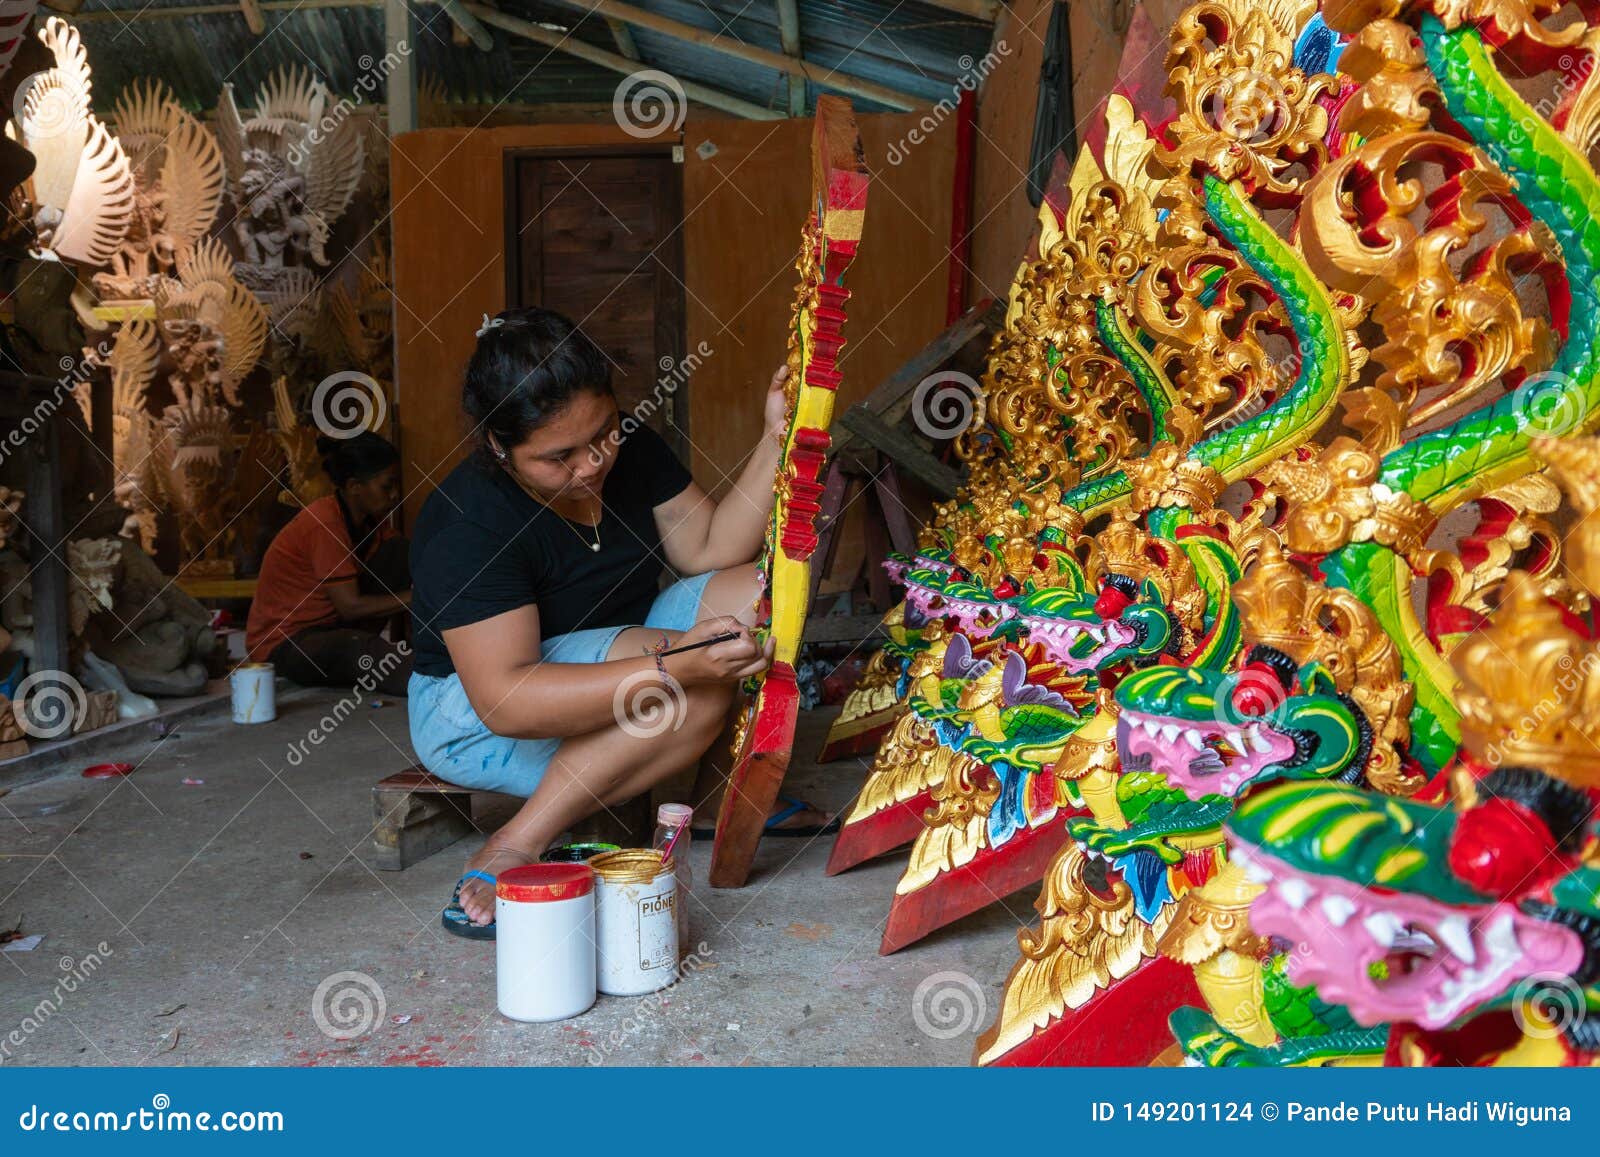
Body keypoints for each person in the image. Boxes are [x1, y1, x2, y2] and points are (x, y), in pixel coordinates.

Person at [409, 307, 830, 938]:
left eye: (602, 433)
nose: (590, 465)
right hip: (473, 715)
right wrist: (676, 665)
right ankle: (516, 842)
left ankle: (712, 785)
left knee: (759, 595)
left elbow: (710, 548)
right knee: (692, 692)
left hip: (618, 653)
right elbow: (506, 700)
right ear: (500, 447)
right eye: (558, 457)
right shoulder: (469, 522)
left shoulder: (627, 449)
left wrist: (778, 437)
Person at [246, 432, 412, 698]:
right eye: (386, 486)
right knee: (360, 650)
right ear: (354, 486)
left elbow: (409, 561)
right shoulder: (324, 523)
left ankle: (435, 660)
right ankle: (435, 687)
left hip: (331, 628)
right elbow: (350, 606)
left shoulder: (371, 522)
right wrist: (415, 598)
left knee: (406, 553)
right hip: (287, 643)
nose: (394, 495)